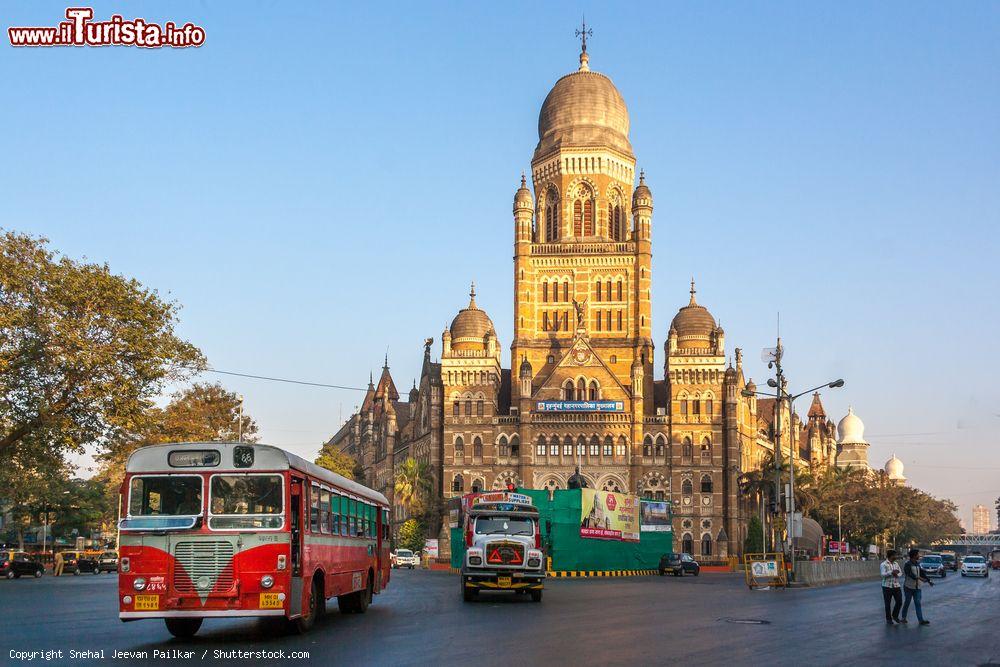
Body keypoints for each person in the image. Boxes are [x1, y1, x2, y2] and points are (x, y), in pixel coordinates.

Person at [900, 548, 933, 625]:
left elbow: (922, 573)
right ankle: (903, 618)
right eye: (918, 554)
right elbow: (910, 574)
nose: (919, 555)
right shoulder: (907, 564)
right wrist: (920, 578)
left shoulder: (917, 564)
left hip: (917, 587)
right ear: (914, 555)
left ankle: (921, 620)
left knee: (918, 603)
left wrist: (929, 581)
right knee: (907, 602)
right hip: (908, 587)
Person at [880, 550, 902, 624]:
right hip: (887, 586)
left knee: (899, 601)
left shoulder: (896, 564)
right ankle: (888, 619)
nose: (896, 557)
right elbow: (882, 575)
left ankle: (895, 615)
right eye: (895, 555)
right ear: (891, 556)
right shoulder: (883, 564)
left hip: (896, 585)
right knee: (887, 603)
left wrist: (897, 575)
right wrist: (891, 572)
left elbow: (900, 573)